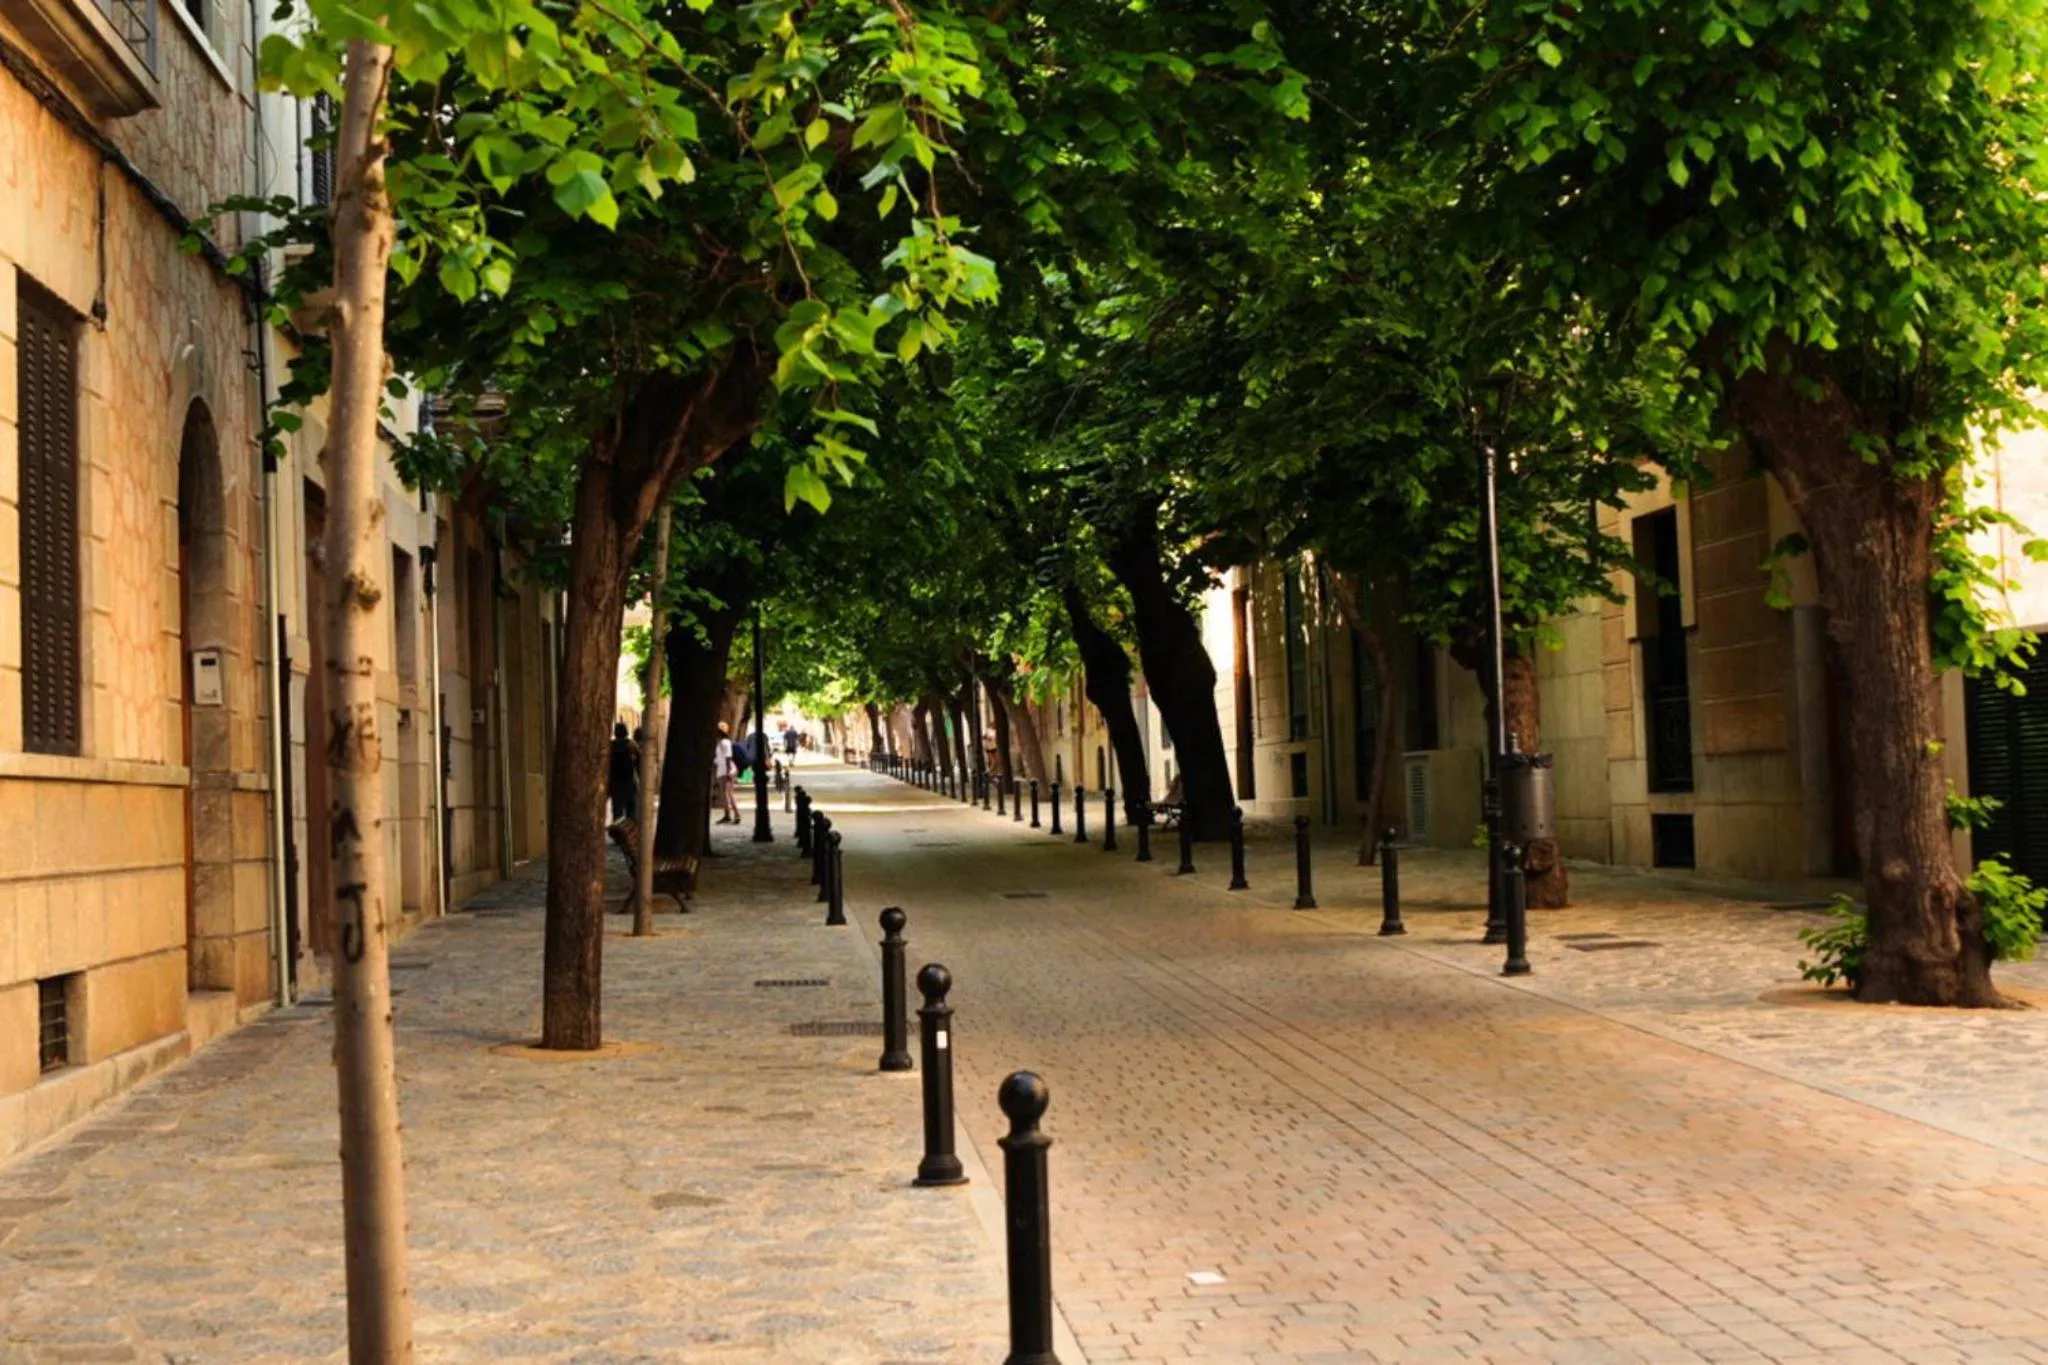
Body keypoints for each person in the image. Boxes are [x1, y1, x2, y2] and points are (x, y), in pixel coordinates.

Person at [608, 722, 640, 825]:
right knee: (631, 811)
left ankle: (618, 836)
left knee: (617, 812)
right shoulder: (631, 744)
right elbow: (638, 760)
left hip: (615, 783)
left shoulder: (611, 746)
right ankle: (631, 835)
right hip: (628, 782)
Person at [714, 721, 740, 824]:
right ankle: (727, 815)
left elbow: (728, 757)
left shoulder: (725, 742)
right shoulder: (720, 742)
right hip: (722, 770)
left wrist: (729, 771)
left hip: (726, 771)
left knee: (728, 793)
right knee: (725, 794)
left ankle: (737, 815)